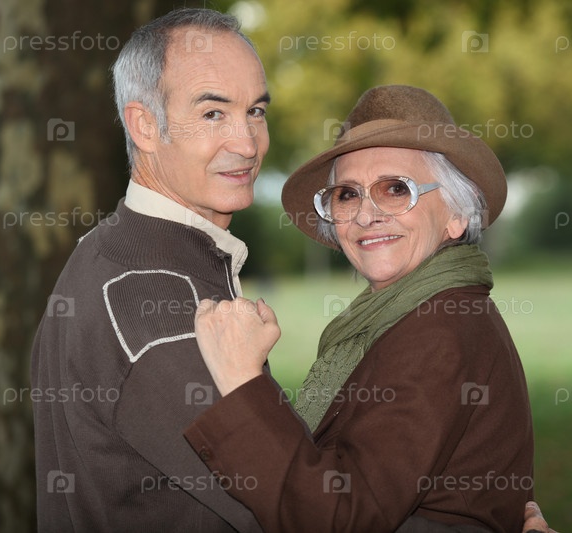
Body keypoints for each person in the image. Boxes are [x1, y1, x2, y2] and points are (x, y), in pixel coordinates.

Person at [184, 85, 538, 532]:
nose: (366, 216)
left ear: (457, 215)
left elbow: (342, 518)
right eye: (347, 194)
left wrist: (241, 381)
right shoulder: (409, 314)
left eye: (395, 189)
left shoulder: (438, 329)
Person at [31, 8, 269, 531]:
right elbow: (287, 503)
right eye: (213, 113)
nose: (248, 143)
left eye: (255, 111)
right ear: (144, 125)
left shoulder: (110, 249)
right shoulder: (149, 295)